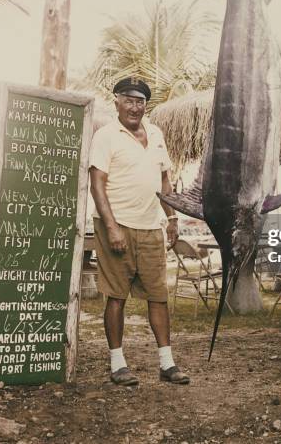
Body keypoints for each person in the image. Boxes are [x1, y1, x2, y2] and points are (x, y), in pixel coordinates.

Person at [88, 77, 190, 386]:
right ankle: (118, 363)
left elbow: (164, 182)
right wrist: (111, 227)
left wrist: (171, 219)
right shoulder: (106, 136)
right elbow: (97, 185)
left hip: (150, 226)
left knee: (158, 296)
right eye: (129, 100)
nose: (135, 107)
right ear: (116, 101)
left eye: (140, 101)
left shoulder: (157, 134)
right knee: (116, 296)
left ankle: (167, 363)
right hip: (117, 226)